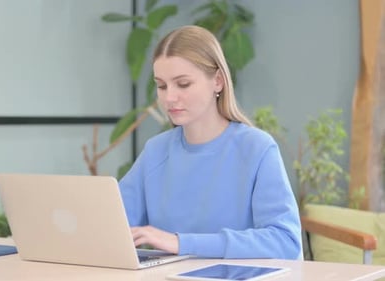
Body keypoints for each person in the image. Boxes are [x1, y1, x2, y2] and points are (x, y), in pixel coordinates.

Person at [118, 25, 302, 259]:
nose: (169, 98)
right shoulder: (156, 151)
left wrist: (181, 243)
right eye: (162, 86)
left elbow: (285, 241)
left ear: (217, 81)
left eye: (183, 84)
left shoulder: (257, 148)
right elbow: (114, 227)